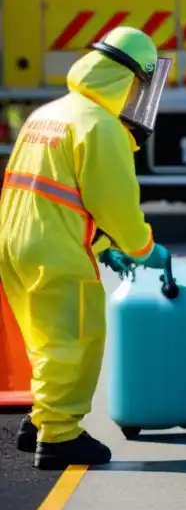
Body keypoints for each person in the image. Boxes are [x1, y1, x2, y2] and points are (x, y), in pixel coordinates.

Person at [1, 26, 173, 470]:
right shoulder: (100, 127)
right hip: (54, 248)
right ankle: (60, 437)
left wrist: (98, 246)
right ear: (129, 78)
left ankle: (39, 422)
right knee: (76, 337)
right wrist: (142, 248)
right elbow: (114, 204)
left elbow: (58, 195)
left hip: (16, 241)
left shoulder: (49, 113)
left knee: (44, 337)